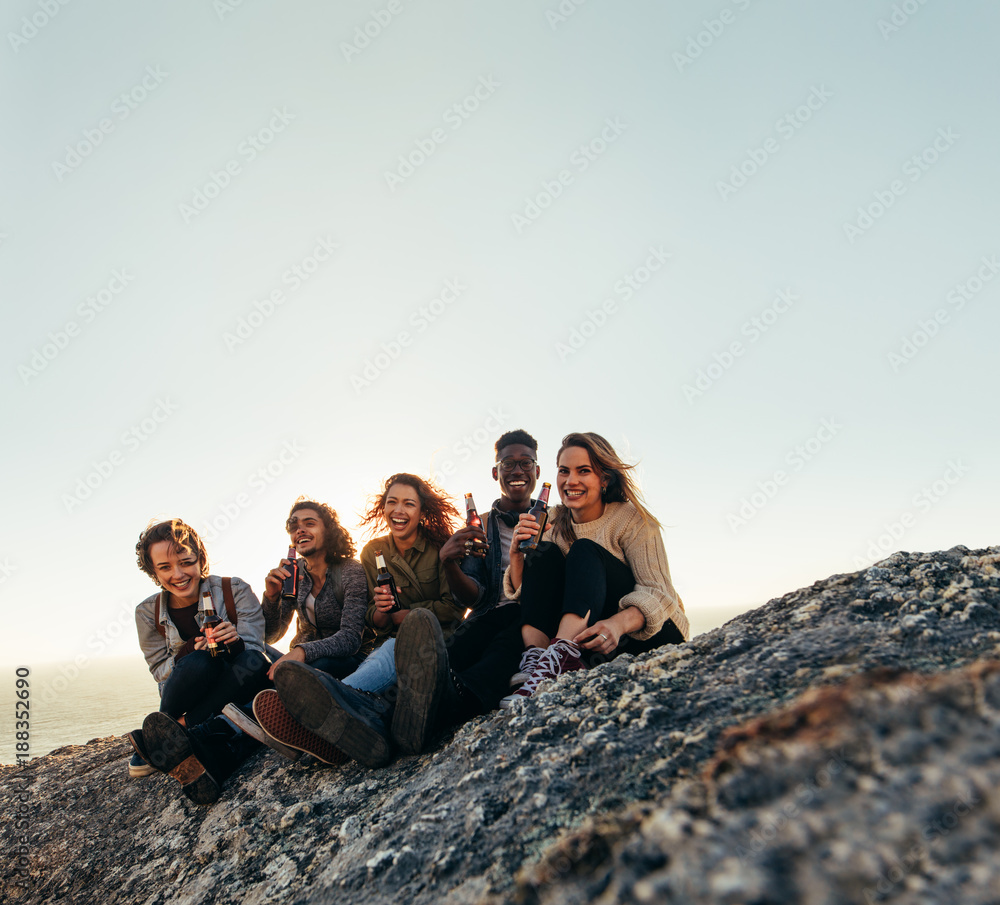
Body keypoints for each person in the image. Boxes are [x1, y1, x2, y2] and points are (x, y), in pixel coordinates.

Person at [258, 474, 463, 765]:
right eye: (392, 502)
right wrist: (272, 597)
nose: (399, 510)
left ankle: (319, 717)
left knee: (388, 649)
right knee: (252, 652)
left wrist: (402, 615)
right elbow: (271, 634)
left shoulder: (431, 549)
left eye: (408, 503)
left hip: (406, 650)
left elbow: (453, 609)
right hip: (363, 652)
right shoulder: (361, 556)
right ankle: (240, 729)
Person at [499, 431, 688, 703]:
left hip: (648, 632)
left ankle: (560, 657)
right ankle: (539, 663)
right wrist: (517, 555)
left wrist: (617, 624)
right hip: (591, 639)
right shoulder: (551, 519)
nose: (571, 480)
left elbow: (660, 594)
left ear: (604, 479)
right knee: (544, 552)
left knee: (585, 549)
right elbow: (528, 594)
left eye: (583, 471)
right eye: (564, 471)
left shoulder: (632, 520)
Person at [127, 518, 270, 803]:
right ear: (153, 572)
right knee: (201, 663)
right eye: (165, 567)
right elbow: (160, 671)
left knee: (253, 661)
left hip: (235, 684)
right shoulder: (147, 612)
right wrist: (189, 650)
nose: (178, 574)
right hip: (186, 691)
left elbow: (256, 651)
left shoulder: (235, 589)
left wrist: (235, 642)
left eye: (186, 562)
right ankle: (178, 728)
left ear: (200, 559)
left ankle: (171, 734)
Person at [260, 499, 369, 680]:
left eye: (309, 523)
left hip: (345, 660)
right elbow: (271, 636)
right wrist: (272, 598)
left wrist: (302, 651)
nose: (300, 530)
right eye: (294, 527)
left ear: (328, 531)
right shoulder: (294, 573)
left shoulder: (350, 570)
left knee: (319, 666)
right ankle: (253, 704)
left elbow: (351, 638)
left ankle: (253, 707)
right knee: (256, 652)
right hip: (300, 659)